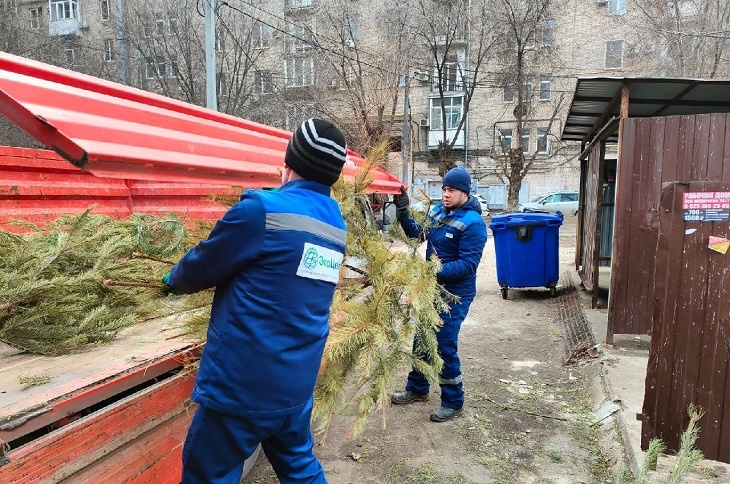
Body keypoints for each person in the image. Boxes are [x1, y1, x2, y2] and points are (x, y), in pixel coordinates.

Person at [163, 118, 348, 483]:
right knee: (299, 467)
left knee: (207, 474)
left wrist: (170, 282)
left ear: (289, 164)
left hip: (242, 388)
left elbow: (202, 265)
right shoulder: (334, 223)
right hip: (295, 382)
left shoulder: (262, 211)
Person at [390, 166, 487, 422]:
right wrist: (402, 210)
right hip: (432, 288)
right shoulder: (437, 212)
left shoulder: (473, 224)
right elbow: (416, 233)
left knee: (443, 344)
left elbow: (468, 265)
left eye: (451, 190)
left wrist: (431, 271)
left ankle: (454, 401)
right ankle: (418, 388)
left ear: (464, 192)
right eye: (444, 189)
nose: (446, 194)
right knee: (422, 337)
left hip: (456, 294)